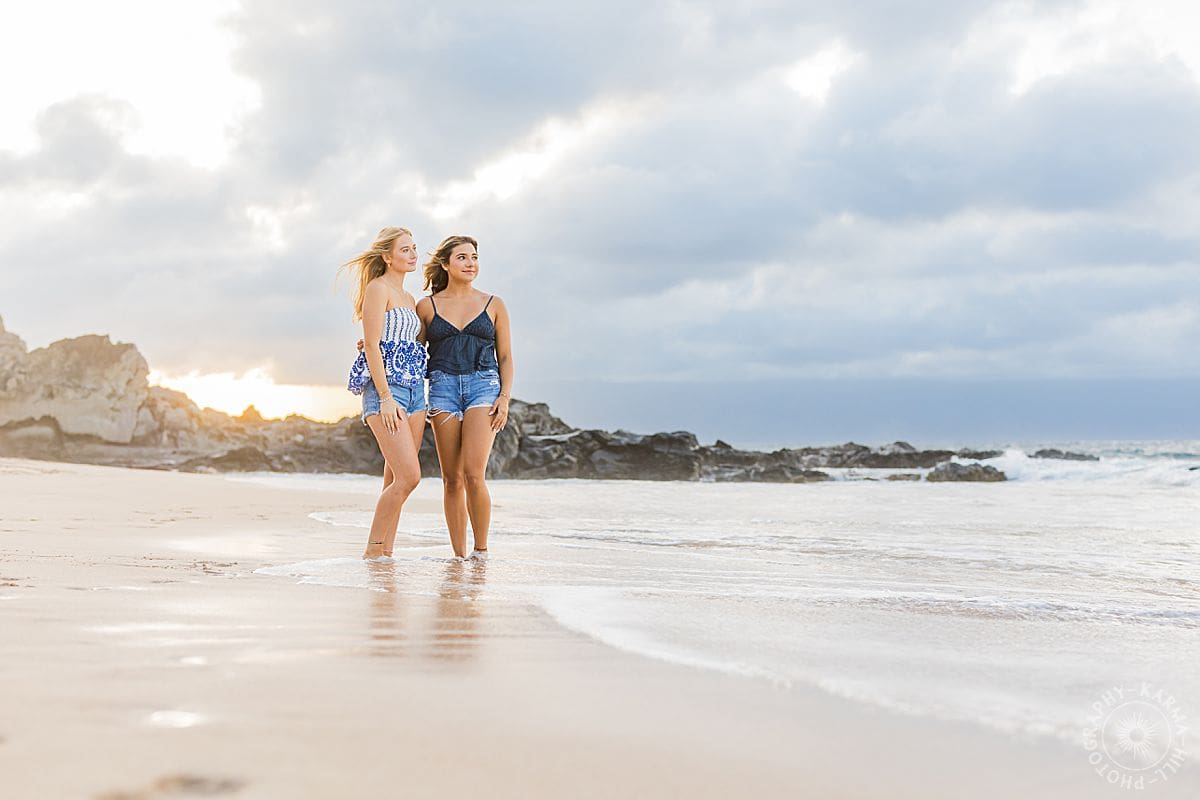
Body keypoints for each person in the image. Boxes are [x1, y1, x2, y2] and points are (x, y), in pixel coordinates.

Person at [415, 235, 513, 561]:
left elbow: (506, 357)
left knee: (474, 474)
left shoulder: (494, 304)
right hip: (442, 388)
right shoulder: (427, 306)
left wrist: (505, 397)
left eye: (474, 257)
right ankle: (458, 556)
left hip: (483, 386)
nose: (471, 263)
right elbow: (412, 350)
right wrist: (369, 344)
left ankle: (481, 552)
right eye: (462, 257)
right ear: (446, 264)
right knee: (451, 479)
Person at [340, 227, 428, 559]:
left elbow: (411, 344)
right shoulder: (378, 289)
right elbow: (374, 345)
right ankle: (372, 550)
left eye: (414, 248)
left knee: (395, 480)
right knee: (410, 477)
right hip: (387, 394)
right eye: (405, 249)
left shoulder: (409, 299)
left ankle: (386, 552)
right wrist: (386, 396)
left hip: (416, 392)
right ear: (387, 256)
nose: (413, 254)